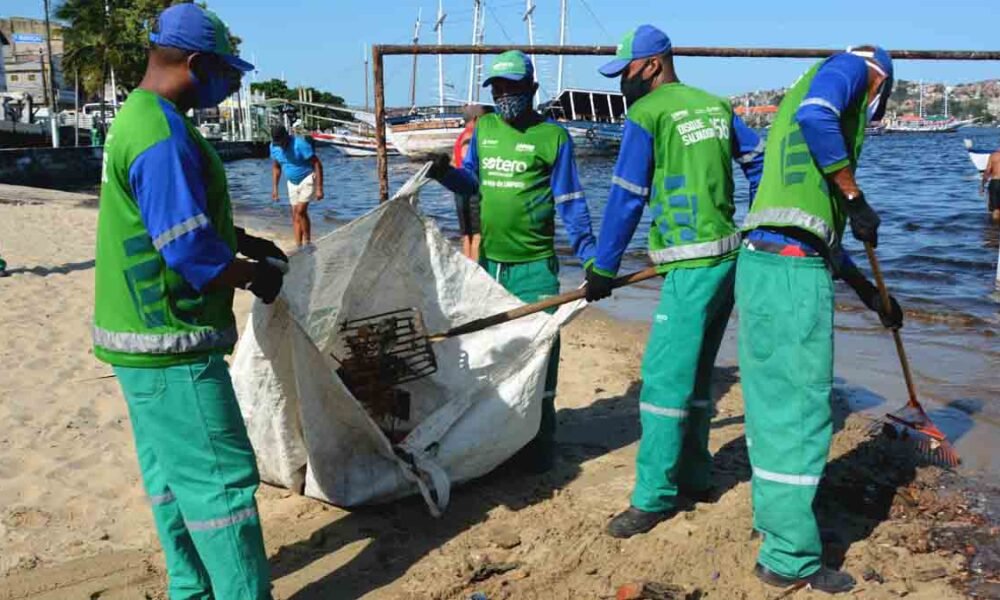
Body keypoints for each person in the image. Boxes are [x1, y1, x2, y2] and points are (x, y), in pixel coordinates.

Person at [92, 4, 287, 598]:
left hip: (137, 342)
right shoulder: (162, 134)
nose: (231, 84)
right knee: (221, 486)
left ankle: (190, 590)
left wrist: (246, 240)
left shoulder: (138, 115)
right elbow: (190, 254)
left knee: (173, 481)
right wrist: (256, 275)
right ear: (197, 64)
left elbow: (180, 220)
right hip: (172, 340)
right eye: (227, 72)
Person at [582, 25, 765, 539]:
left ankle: (654, 497)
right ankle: (697, 475)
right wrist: (755, 222)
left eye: (628, 72)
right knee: (699, 375)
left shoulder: (648, 114)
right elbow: (758, 161)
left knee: (663, 384)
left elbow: (626, 194)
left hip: (688, 268)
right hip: (729, 258)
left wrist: (602, 266)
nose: (624, 84)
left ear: (655, 63)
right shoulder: (715, 105)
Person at [737, 46, 903, 594]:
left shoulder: (791, 113)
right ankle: (790, 557)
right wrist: (855, 196)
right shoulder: (852, 70)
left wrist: (867, 292)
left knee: (770, 408)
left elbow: (810, 226)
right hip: (791, 277)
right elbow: (820, 116)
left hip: (762, 263)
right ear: (879, 81)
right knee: (804, 412)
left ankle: (777, 531)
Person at [428, 50, 598, 473]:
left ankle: (540, 444)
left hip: (535, 265)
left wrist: (592, 258)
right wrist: (444, 173)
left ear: (532, 90)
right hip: (492, 266)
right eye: (497, 89)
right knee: (493, 354)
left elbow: (571, 203)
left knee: (542, 355)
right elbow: (471, 183)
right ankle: (500, 439)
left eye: (512, 88)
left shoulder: (553, 138)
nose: (504, 96)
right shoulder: (483, 129)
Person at [271, 124, 324, 247]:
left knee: (300, 211)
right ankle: (298, 245)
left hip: (307, 178)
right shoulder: (273, 147)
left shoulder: (300, 144)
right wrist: (275, 189)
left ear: (286, 136)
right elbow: (276, 167)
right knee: (295, 213)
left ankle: (308, 242)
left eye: (282, 142)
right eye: (277, 143)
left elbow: (317, 164)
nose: (280, 145)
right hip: (291, 182)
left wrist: (319, 188)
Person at [452, 104, 489, 261]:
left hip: (459, 189)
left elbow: (454, 162)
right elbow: (467, 160)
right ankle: (477, 269)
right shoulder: (471, 137)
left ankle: (468, 267)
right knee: (477, 235)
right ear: (476, 119)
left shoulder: (461, 136)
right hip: (471, 189)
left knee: (466, 234)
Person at [979, 149, 1000, 222]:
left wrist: (982, 185)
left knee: (995, 210)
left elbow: (987, 171)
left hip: (995, 182)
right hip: (995, 182)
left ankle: (993, 230)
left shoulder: (994, 155)